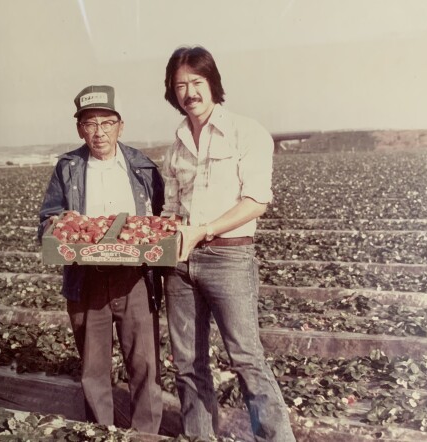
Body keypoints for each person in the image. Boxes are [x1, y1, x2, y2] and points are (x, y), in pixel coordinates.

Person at [160, 46, 296, 441]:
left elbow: (256, 201)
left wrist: (204, 230)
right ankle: (200, 436)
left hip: (229, 257)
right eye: (180, 85)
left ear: (213, 84)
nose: (189, 92)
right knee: (187, 362)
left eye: (197, 82)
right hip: (180, 262)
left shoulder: (246, 132)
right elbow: (171, 208)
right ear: (172, 92)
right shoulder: (175, 146)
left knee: (247, 358)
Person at [38, 85, 164, 433]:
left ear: (120, 125)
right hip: (87, 279)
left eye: (107, 122)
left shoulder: (143, 167)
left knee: (145, 367)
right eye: (90, 123)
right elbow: (47, 218)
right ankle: (101, 435)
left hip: (134, 279)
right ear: (80, 128)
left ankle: (146, 437)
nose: (99, 132)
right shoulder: (68, 168)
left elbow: (161, 219)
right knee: (94, 370)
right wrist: (55, 225)